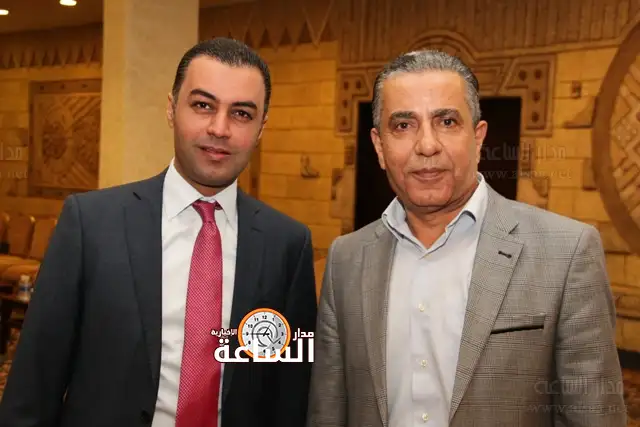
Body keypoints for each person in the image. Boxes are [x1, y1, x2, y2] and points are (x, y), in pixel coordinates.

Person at [0, 37, 317, 427]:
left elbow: (290, 393)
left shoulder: (287, 244)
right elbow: (33, 385)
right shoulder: (91, 224)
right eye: (203, 105)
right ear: (171, 109)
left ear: (261, 126)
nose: (219, 128)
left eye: (241, 113)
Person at [306, 50, 626, 427]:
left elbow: (594, 416)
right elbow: (327, 410)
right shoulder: (345, 260)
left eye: (446, 121)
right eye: (403, 125)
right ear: (379, 146)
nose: (427, 145)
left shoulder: (566, 253)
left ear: (478, 137)